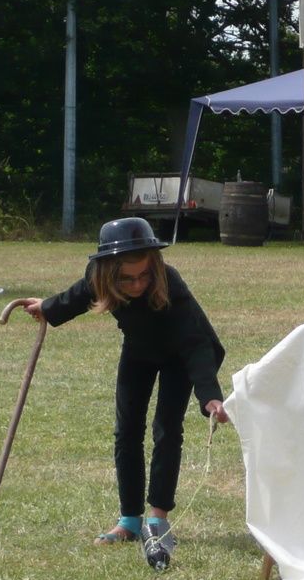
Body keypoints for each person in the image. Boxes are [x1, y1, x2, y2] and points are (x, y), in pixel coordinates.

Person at [25, 217, 229, 546]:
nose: (136, 285)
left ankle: (157, 519)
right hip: (139, 352)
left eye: (144, 275)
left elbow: (196, 344)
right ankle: (130, 520)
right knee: (126, 431)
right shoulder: (97, 278)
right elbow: (75, 298)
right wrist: (46, 308)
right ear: (108, 273)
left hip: (181, 357)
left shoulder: (170, 283)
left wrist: (210, 397)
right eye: (127, 278)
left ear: (154, 267)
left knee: (166, 430)